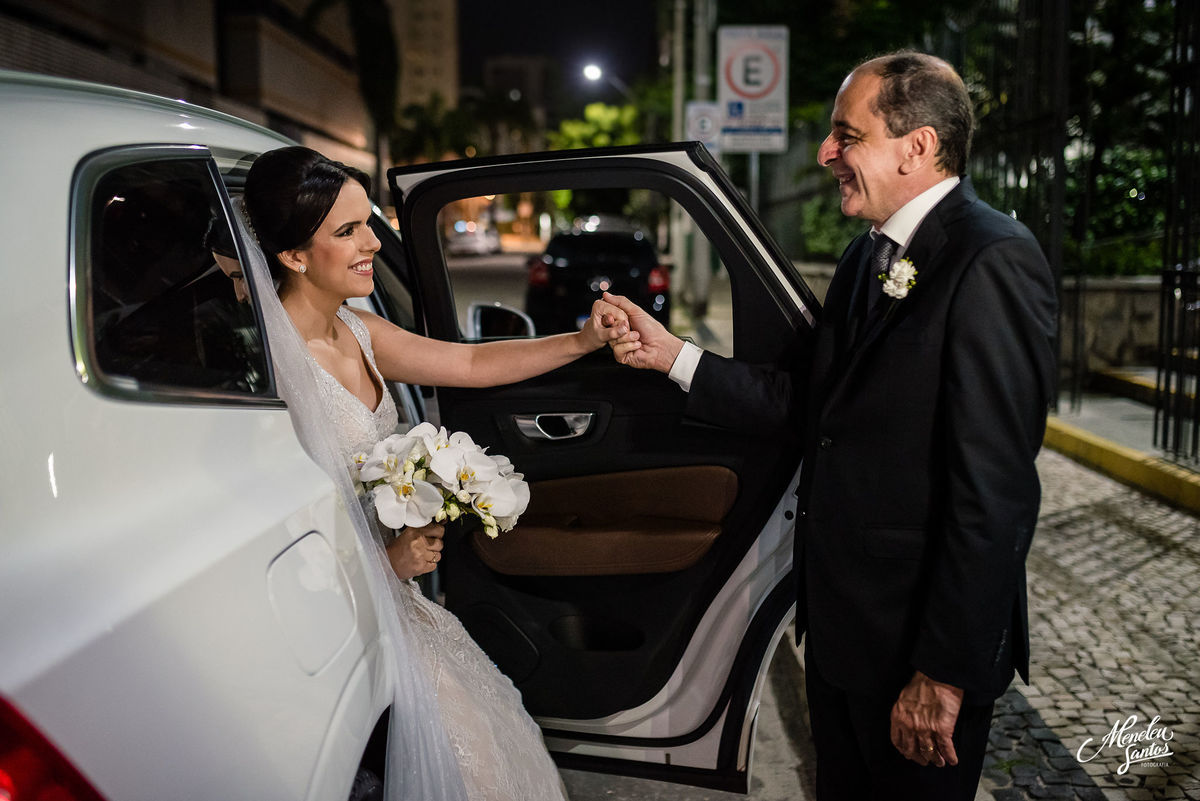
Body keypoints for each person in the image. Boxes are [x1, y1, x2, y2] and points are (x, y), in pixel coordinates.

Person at [605, 51, 1056, 801]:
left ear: (918, 146)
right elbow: (811, 405)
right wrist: (674, 357)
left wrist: (941, 672)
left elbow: (995, 494)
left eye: (847, 136)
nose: (827, 154)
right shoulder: (864, 258)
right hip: (846, 639)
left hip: (917, 651)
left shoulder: (992, 261)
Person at [244, 145, 628, 800]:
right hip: (344, 608)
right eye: (348, 231)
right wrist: (386, 561)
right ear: (292, 255)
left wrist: (581, 341)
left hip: (401, 597)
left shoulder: (359, 330)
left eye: (367, 221)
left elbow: (470, 365)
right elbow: (276, 518)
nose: (371, 242)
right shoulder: (272, 367)